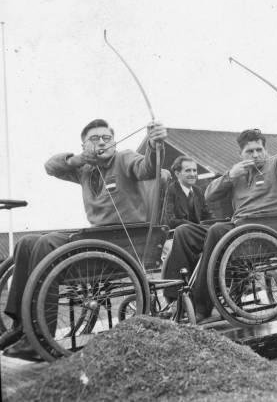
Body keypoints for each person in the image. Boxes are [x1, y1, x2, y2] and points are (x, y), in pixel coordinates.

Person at [0, 118, 167, 360]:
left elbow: (148, 168)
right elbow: (50, 166)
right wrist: (78, 159)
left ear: (114, 141)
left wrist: (154, 144)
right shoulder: (84, 169)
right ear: (84, 145)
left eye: (107, 138)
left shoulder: (125, 158)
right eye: (94, 139)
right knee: (26, 243)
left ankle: (38, 336)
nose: (102, 142)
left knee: (47, 243)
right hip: (96, 243)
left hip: (122, 245)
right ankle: (21, 326)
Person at [190, 128, 277, 322]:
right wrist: (230, 175)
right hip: (238, 228)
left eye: (259, 149)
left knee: (216, 231)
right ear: (240, 154)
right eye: (250, 151)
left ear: (265, 150)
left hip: (266, 230)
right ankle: (176, 297)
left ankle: (200, 307)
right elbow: (209, 196)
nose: (256, 155)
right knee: (185, 232)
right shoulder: (237, 172)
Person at [162, 155, 212, 303]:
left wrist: (214, 222)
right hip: (173, 235)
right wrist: (193, 227)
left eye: (195, 170)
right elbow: (169, 220)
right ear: (177, 174)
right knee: (178, 249)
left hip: (194, 235)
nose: (193, 174)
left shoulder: (197, 191)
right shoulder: (171, 191)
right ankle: (175, 295)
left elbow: (206, 214)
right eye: (188, 170)